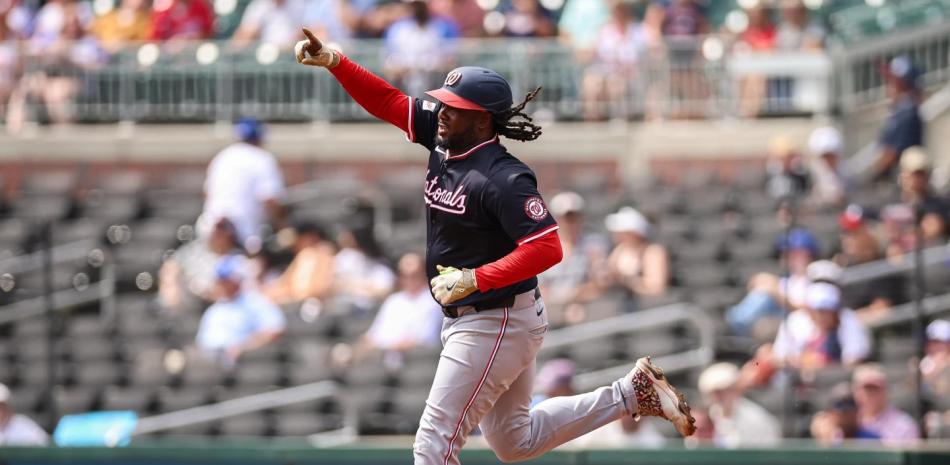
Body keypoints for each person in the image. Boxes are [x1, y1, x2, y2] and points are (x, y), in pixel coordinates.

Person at [295, 27, 695, 465]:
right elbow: (390, 102)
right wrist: (338, 63)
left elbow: (548, 249)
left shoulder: (504, 177)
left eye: (455, 108)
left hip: (496, 316)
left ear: (483, 120)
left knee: (433, 442)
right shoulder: (446, 138)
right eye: (443, 103)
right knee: (513, 442)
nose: (442, 112)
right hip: (486, 315)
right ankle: (629, 394)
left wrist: (476, 278)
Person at [201, 117, 287, 251]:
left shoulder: (222, 156)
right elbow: (269, 199)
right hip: (242, 234)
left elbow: (207, 194)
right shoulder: (262, 159)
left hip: (209, 228)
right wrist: (283, 226)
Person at [195, 255, 286, 366]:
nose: (223, 284)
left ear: (238, 279)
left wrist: (244, 347)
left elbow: (275, 330)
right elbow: (202, 343)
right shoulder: (214, 310)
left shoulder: (255, 302)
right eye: (221, 280)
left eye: (227, 280)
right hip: (212, 366)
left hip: (245, 365)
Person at [538, 191, 608, 326]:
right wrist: (565, 304)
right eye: (565, 217)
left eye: (574, 217)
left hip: (587, 309)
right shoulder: (542, 251)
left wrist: (575, 298)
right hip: (552, 313)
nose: (569, 223)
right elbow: (540, 291)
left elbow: (599, 285)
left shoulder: (595, 245)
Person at [772, 282, 870, 373]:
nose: (821, 316)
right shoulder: (795, 320)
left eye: (826, 310)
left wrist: (822, 364)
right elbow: (780, 356)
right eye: (817, 310)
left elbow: (853, 360)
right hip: (799, 380)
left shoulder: (849, 320)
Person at [581, 0, 651, 121]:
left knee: (617, 84)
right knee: (591, 83)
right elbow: (594, 51)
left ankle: (618, 118)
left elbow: (645, 53)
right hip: (606, 72)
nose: (619, 15)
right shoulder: (604, 30)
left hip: (631, 74)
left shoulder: (639, 30)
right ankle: (593, 120)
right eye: (617, 12)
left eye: (622, 11)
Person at [360, 252, 443, 353]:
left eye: (414, 275)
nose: (409, 280)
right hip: (383, 359)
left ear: (424, 274)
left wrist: (388, 345)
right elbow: (371, 337)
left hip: (416, 361)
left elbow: (425, 340)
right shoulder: (393, 300)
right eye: (404, 275)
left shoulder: (433, 302)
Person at [159, 217, 245, 313]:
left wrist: (201, 291)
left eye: (222, 230)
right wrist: (172, 288)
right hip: (184, 302)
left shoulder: (238, 258)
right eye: (216, 230)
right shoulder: (197, 249)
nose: (219, 234)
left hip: (213, 308)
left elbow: (227, 291)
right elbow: (171, 266)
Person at [383, 0, 459, 98]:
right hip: (405, 84)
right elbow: (389, 62)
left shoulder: (444, 26)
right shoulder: (397, 28)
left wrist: (432, 67)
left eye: (419, 5)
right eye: (414, 5)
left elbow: (451, 61)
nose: (416, 9)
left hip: (435, 84)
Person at [697, 362, 780, 447]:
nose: (718, 397)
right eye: (714, 393)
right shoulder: (706, 418)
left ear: (736, 390)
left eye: (723, 391)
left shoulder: (757, 419)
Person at [603, 206, 670, 312]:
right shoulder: (619, 250)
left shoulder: (653, 252)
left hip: (649, 309)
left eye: (623, 232)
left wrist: (627, 280)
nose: (617, 236)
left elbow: (656, 288)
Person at [872, 55, 923, 182]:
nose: (889, 83)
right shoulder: (900, 110)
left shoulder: (907, 113)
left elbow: (892, 154)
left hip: (902, 181)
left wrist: (873, 175)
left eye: (893, 79)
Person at [260, 220, 336, 305]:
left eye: (299, 238)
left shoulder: (323, 252)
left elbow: (316, 289)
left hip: (312, 307)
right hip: (296, 302)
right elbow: (285, 282)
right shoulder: (304, 255)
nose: (296, 243)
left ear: (312, 236)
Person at [851, 363, 920, 444]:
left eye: (875, 389)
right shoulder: (846, 422)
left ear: (886, 391)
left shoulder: (903, 425)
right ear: (855, 391)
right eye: (866, 389)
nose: (870, 395)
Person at [897, 146, 948, 245]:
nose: (917, 179)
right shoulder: (889, 201)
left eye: (921, 174)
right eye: (913, 173)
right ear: (903, 174)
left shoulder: (942, 205)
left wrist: (942, 225)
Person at [810, 386, 881, 444]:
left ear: (856, 412)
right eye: (843, 413)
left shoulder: (871, 440)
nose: (846, 417)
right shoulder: (825, 436)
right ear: (832, 413)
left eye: (850, 412)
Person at [807, 126, 847, 208]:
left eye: (831, 155)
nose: (829, 160)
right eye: (825, 156)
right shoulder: (810, 174)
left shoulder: (846, 173)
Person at [149, 0, 214, 41]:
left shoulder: (200, 6)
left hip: (196, 54)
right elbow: (157, 38)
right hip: (171, 57)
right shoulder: (163, 9)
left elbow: (209, 32)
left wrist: (188, 39)